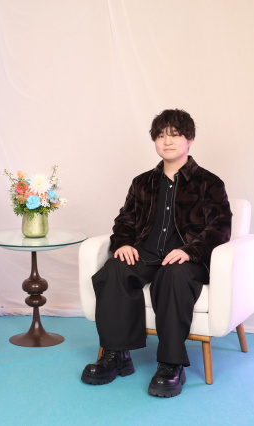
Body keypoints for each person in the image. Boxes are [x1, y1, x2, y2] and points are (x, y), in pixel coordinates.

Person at [81, 109, 232, 397]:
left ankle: (171, 364)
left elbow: (220, 227)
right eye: (161, 136)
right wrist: (123, 243)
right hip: (146, 253)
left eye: (175, 135)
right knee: (114, 269)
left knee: (172, 275)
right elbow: (125, 220)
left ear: (189, 139)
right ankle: (116, 354)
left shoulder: (209, 183)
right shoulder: (142, 182)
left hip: (187, 260)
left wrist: (190, 251)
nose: (167, 141)